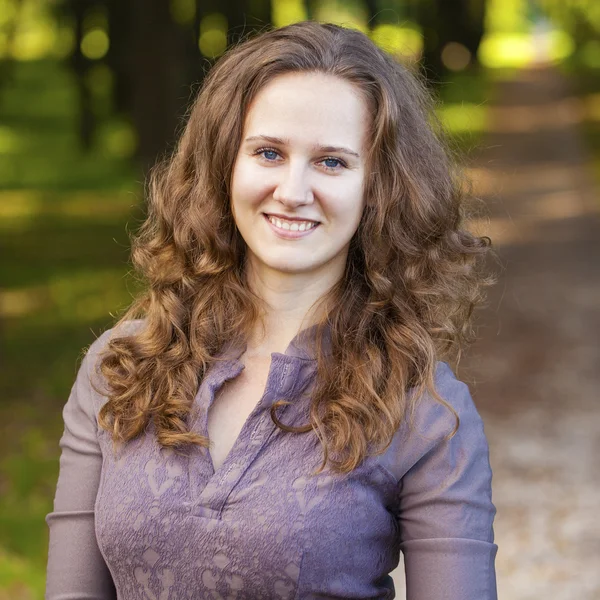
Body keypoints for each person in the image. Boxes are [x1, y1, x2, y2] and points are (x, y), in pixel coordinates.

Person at [45, 21, 497, 600]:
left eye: (331, 162)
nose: (292, 189)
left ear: (378, 188)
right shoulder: (119, 370)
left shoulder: (424, 411)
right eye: (268, 152)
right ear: (223, 165)